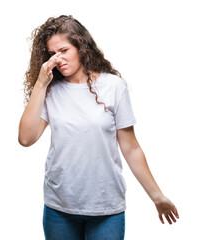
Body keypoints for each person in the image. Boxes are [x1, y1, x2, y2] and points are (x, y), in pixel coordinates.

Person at [18, 15, 179, 240]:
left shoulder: (114, 86)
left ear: (80, 46)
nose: (58, 59)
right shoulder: (50, 91)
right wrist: (41, 84)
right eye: (52, 54)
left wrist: (157, 196)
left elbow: (131, 148)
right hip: (59, 207)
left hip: (106, 208)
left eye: (64, 50)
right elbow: (26, 139)